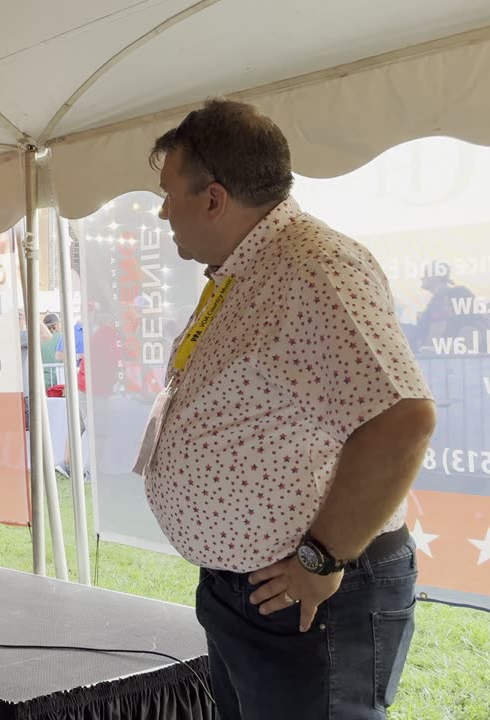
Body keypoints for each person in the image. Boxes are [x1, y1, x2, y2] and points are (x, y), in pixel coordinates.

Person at [140, 99, 435, 718]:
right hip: (250, 594)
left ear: (214, 199)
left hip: (313, 598)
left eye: (169, 194)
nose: (163, 210)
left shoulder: (315, 269)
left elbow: (403, 419)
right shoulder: (245, 269)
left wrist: (322, 556)